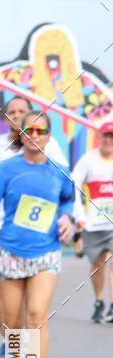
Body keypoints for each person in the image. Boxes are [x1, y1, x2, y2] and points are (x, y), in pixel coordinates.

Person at [0, 110, 74, 358]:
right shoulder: (7, 169)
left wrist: (67, 217)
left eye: (41, 131)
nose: (34, 135)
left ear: (49, 136)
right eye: (29, 130)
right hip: (10, 252)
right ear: (21, 133)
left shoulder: (60, 171)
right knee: (13, 323)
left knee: (37, 315)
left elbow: (68, 200)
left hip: (46, 252)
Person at [71, 120, 113, 324]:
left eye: (112, 136)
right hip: (94, 223)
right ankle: (99, 301)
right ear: (99, 137)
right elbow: (74, 185)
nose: (109, 140)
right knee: (97, 263)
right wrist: (79, 215)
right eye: (106, 136)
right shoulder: (88, 160)